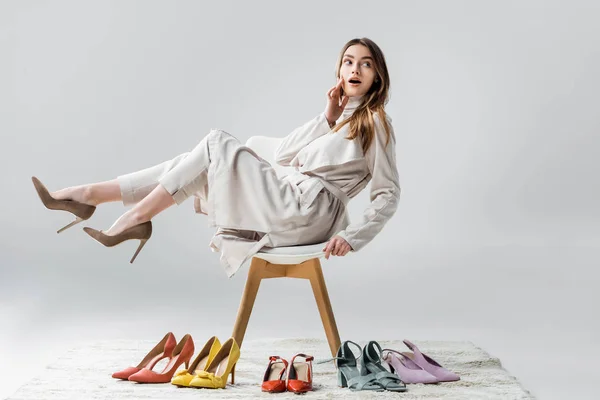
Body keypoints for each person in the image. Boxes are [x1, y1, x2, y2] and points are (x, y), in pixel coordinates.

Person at [32, 37, 401, 278]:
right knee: (190, 161)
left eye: (365, 64)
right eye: (348, 61)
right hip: (290, 200)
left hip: (310, 214)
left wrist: (354, 237)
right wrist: (327, 117)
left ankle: (133, 216)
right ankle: (89, 195)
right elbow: (286, 154)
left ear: (376, 77)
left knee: (216, 143)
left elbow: (388, 193)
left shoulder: (375, 123)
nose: (354, 69)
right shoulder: (335, 119)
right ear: (339, 71)